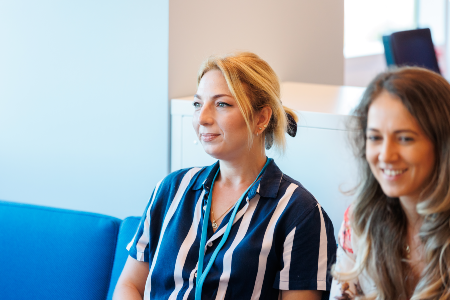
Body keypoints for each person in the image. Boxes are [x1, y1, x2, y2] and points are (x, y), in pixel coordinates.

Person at [113, 52, 336, 300]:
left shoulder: (299, 212)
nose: (203, 118)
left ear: (261, 118)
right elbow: (129, 286)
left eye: (222, 104)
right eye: (198, 104)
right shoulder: (171, 189)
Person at [330, 67, 450, 300]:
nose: (386, 155)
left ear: (443, 144)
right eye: (375, 137)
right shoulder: (358, 220)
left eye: (405, 138)